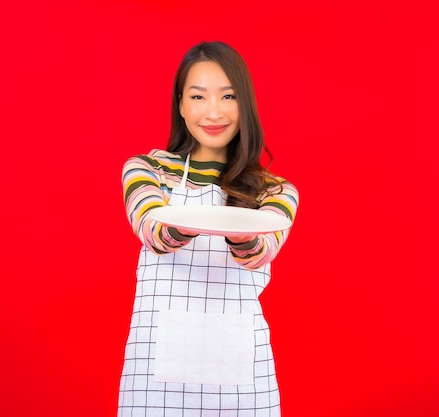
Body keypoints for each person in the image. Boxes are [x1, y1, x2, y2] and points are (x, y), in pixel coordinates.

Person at [118, 41, 299, 417]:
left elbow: (261, 251)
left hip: (241, 375)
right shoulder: (148, 170)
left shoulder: (276, 191)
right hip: (156, 374)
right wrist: (206, 221)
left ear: (244, 103)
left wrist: (241, 233)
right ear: (181, 105)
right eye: (198, 96)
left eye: (228, 96)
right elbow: (152, 231)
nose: (213, 111)